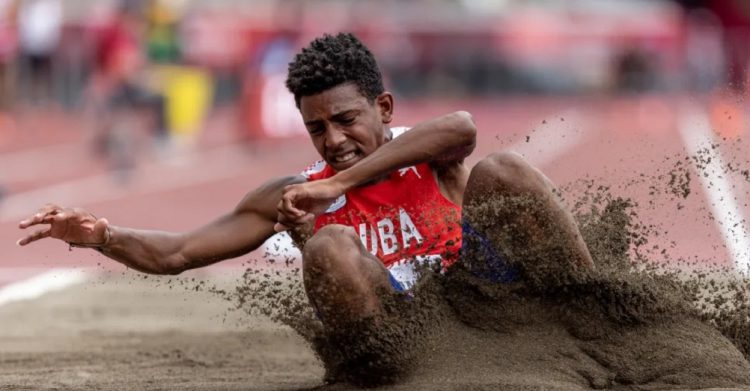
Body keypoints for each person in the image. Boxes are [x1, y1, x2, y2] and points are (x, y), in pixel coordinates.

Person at [17, 33, 594, 331]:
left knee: (505, 170)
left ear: (384, 107)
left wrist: (335, 188)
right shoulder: (294, 193)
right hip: (407, 332)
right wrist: (101, 236)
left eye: (346, 120)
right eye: (317, 128)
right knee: (326, 245)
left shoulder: (429, 150)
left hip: (484, 298)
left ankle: (597, 310)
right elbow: (181, 252)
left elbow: (463, 127)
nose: (334, 140)